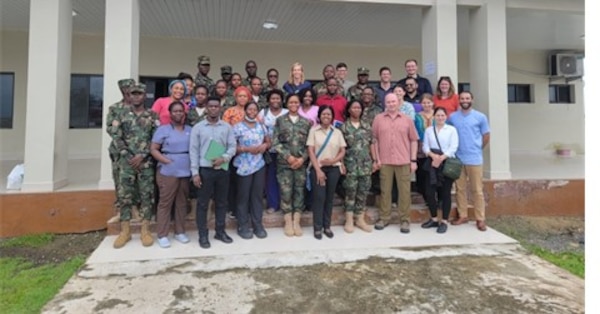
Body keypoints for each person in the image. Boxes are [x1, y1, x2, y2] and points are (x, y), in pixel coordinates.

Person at [111, 83, 157, 248]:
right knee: (125, 196)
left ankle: (145, 230)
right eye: (133, 94)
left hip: (145, 162)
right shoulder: (121, 115)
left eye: (139, 94)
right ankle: (125, 231)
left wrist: (143, 155)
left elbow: (156, 138)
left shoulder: (152, 115)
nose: (136, 97)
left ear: (145, 96)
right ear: (129, 96)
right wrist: (128, 156)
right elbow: (116, 137)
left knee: (146, 195)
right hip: (126, 163)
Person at [190, 96, 237, 249]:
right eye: (211, 106)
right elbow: (193, 151)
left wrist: (224, 158)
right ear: (206, 108)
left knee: (222, 202)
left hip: (222, 169)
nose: (213, 109)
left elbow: (232, 146)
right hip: (205, 170)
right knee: (203, 203)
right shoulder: (198, 127)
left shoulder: (227, 127)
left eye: (216, 106)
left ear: (220, 108)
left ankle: (220, 231)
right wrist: (195, 173)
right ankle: (203, 234)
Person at [372, 93, 419, 234]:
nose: (391, 104)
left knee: (404, 192)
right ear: (385, 103)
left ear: (398, 102)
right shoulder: (378, 119)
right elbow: (374, 140)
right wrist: (376, 159)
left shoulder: (407, 120)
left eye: (393, 101)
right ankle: (384, 218)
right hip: (385, 161)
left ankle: (404, 220)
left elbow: (414, 140)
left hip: (403, 161)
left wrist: (413, 160)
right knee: (385, 191)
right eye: (388, 102)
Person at [150, 101, 192, 247]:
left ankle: (180, 232)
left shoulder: (190, 129)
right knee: (165, 203)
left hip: (185, 170)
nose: (178, 113)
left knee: (181, 202)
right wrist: (165, 160)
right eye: (175, 111)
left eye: (181, 111)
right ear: (170, 113)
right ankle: (162, 234)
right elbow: (154, 149)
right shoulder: (163, 130)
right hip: (168, 170)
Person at [448, 91, 490, 231]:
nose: (464, 100)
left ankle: (480, 218)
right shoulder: (453, 117)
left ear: (472, 99)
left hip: (474, 159)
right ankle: (463, 215)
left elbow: (486, 136)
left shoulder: (480, 117)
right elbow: (448, 133)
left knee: (477, 190)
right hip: (458, 159)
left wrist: (477, 148)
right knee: (460, 189)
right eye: (462, 98)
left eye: (467, 98)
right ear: (458, 100)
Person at [272, 94, 312, 237]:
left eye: (296, 102)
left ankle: (297, 221)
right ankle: (288, 221)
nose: (293, 104)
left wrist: (302, 159)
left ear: (299, 104)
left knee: (299, 192)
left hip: (301, 164)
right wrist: (288, 156)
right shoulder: (280, 121)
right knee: (286, 192)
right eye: (291, 102)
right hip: (284, 164)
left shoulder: (307, 123)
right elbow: (275, 142)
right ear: (287, 104)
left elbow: (310, 145)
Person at [307, 106, 347, 240]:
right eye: (323, 114)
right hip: (318, 169)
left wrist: (333, 161)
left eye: (329, 114)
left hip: (334, 168)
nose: (326, 116)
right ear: (319, 116)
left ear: (332, 116)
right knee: (319, 198)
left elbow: (342, 150)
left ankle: (327, 226)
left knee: (329, 199)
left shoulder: (337, 132)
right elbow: (311, 151)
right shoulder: (313, 131)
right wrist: (318, 170)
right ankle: (317, 228)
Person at [233, 102, 270, 239]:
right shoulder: (237, 127)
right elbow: (232, 147)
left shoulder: (261, 126)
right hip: (243, 166)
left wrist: (265, 145)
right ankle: (242, 225)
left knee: (257, 196)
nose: (252, 111)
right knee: (243, 196)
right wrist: (246, 149)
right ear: (245, 110)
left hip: (259, 165)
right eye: (250, 109)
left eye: (255, 109)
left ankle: (257, 225)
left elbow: (268, 141)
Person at [421, 107, 459, 234]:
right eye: (438, 115)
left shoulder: (451, 130)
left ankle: (444, 221)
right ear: (434, 117)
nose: (440, 117)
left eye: (442, 115)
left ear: (446, 117)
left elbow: (454, 146)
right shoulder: (429, 130)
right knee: (430, 193)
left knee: (445, 193)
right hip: (431, 163)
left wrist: (441, 158)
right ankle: (434, 218)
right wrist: (433, 156)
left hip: (446, 163)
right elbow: (425, 146)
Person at [340, 100, 376, 233]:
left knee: (363, 192)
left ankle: (360, 219)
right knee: (350, 193)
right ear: (349, 110)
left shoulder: (367, 126)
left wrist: (375, 160)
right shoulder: (343, 128)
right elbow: (340, 148)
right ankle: (349, 219)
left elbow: (372, 144)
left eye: (359, 107)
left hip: (366, 165)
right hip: (350, 165)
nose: (356, 109)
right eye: (354, 107)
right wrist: (341, 163)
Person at [106, 78, 136, 218]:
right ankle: (121, 209)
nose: (129, 91)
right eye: (126, 89)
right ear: (122, 90)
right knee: (120, 180)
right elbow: (111, 128)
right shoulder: (115, 108)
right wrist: (123, 146)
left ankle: (136, 208)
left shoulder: (139, 107)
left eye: (131, 88)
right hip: (119, 151)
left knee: (137, 181)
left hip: (137, 150)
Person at [222, 86, 252, 219]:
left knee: (247, 182)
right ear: (235, 97)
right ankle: (233, 208)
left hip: (250, 153)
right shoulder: (229, 111)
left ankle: (247, 208)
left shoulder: (251, 111)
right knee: (233, 180)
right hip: (233, 151)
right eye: (240, 96)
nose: (242, 98)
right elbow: (224, 130)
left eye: (245, 96)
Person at [258, 89, 288, 214]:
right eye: (273, 98)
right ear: (269, 100)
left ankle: (286, 205)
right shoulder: (263, 113)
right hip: (269, 151)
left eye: (278, 98)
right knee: (271, 178)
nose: (275, 100)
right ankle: (273, 204)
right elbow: (258, 129)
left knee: (285, 179)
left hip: (285, 151)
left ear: (281, 100)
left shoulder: (287, 112)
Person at [414, 93, 435, 200]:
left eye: (428, 102)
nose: (426, 105)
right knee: (422, 171)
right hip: (420, 147)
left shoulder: (438, 115)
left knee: (433, 172)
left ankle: (433, 195)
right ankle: (424, 194)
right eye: (424, 103)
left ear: (433, 103)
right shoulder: (416, 116)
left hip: (435, 147)